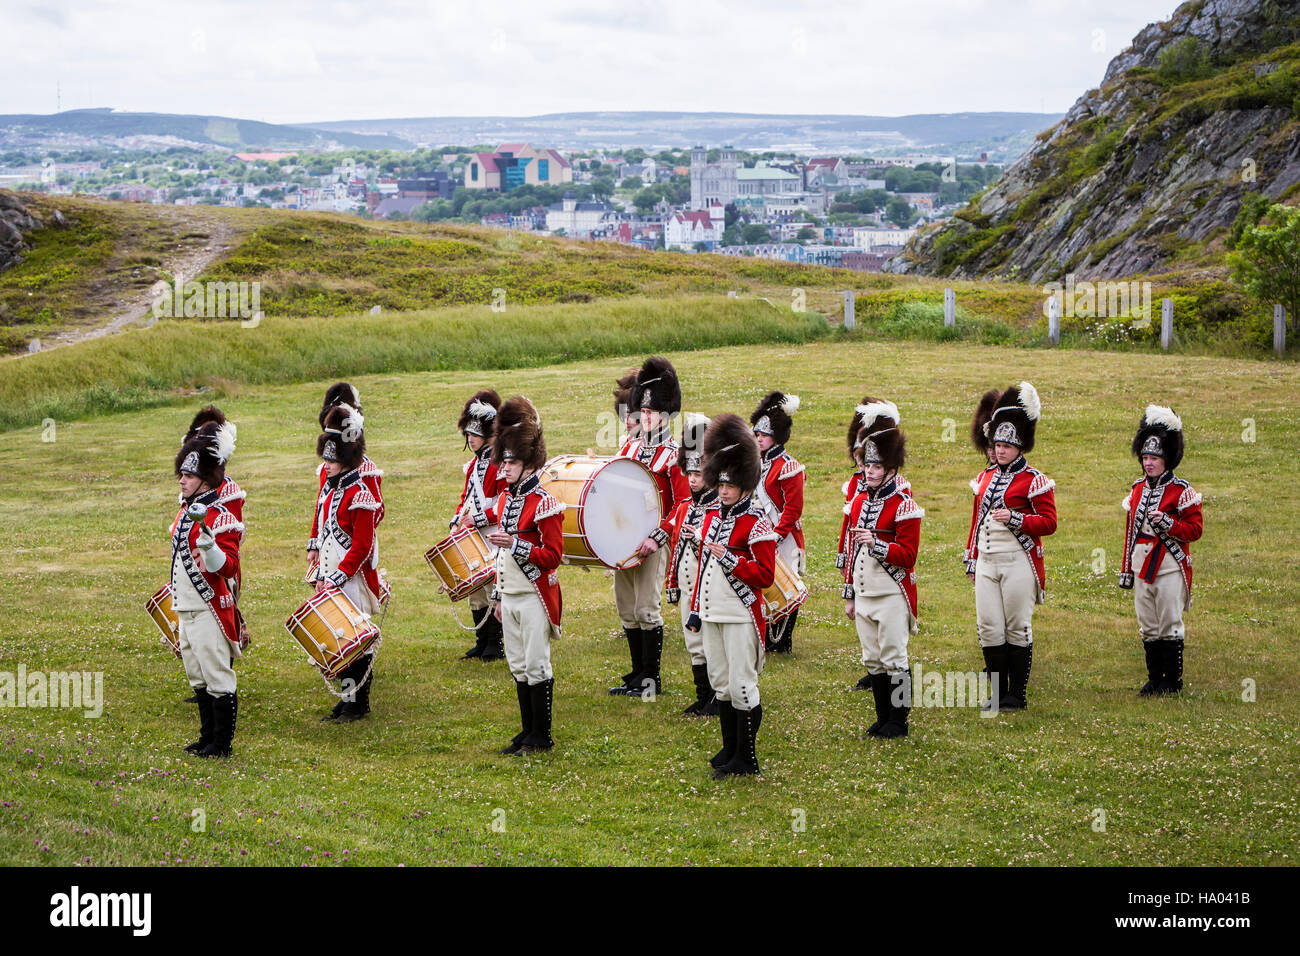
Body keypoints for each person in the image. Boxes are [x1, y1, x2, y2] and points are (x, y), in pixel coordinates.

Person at [685, 414, 777, 778]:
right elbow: (704, 571)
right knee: (721, 684)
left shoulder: (757, 523)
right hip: (711, 613)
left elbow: (765, 577)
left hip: (740, 615)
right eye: (720, 483)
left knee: (741, 686)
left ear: (745, 484)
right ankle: (730, 748)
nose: (723, 490)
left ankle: (747, 757)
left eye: (730, 484)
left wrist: (732, 559)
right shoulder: (710, 517)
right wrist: (695, 610)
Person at [964, 383, 1057, 712]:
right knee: (989, 625)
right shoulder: (985, 477)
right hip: (987, 560)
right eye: (997, 444)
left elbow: (1049, 522)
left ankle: (1016, 694)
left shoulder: (1035, 480)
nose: (1000, 450)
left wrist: (1017, 519)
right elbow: (976, 521)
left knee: (1017, 625)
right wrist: (971, 558)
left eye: (1007, 445)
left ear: (1020, 447)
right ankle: (995, 692)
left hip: (1019, 561)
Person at [481, 397, 565, 755]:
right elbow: (501, 555)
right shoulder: (505, 499)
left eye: (511, 462)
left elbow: (553, 556)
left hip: (534, 596)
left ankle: (541, 736)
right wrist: (498, 597)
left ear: (529, 462)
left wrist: (516, 544)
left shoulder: (544, 502)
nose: (504, 469)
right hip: (511, 595)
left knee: (536, 663)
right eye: (504, 461)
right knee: (517, 665)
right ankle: (527, 731)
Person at [840, 400, 923, 737]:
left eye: (877, 466)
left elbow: (908, 555)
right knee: (871, 658)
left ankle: (898, 721)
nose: (870, 471)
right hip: (864, 593)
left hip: (891, 593)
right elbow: (849, 551)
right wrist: (849, 595)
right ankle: (882, 716)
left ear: (891, 469)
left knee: (893, 656)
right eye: (867, 466)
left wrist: (875, 542)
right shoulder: (858, 501)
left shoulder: (904, 506)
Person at [609, 357, 690, 699]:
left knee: (646, 608)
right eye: (642, 410)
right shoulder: (628, 447)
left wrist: (659, 537)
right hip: (625, 539)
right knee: (627, 609)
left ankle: (651, 680)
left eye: (652, 411)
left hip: (655, 543)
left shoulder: (674, 454)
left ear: (667, 414)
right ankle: (637, 673)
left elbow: (683, 504)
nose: (645, 415)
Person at [170, 420, 244, 757]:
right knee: (196, 675)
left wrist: (210, 547)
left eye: (188, 475)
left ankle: (221, 744)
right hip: (185, 606)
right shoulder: (187, 511)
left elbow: (228, 566)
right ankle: (206, 737)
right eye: (182, 474)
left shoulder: (221, 516)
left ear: (205, 480)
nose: (181, 480)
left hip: (209, 607)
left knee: (217, 675)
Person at [1120, 405, 1203, 695]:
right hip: (1141, 564)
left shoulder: (1182, 491)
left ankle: (1172, 681)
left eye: (1154, 457)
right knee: (1148, 623)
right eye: (1145, 457)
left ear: (1167, 458)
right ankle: (1154, 678)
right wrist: (1125, 569)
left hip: (1168, 564)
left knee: (1169, 621)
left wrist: (1169, 524)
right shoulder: (1137, 489)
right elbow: (1130, 533)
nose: (1148, 463)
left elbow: (1195, 530)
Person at [312, 403, 385, 722]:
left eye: (332, 458)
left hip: (352, 579)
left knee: (356, 640)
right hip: (332, 575)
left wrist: (339, 576)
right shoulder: (331, 491)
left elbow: (363, 544)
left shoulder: (361, 494)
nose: (326, 464)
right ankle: (347, 697)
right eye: (326, 457)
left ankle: (358, 703)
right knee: (340, 636)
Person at [665, 414, 718, 716]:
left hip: (708, 590)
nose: (694, 479)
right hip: (687, 588)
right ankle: (702, 695)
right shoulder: (685, 508)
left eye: (699, 473)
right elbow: (675, 550)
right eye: (690, 473)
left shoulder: (717, 511)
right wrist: (672, 584)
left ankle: (716, 697)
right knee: (692, 643)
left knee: (709, 642)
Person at [749, 392, 805, 654]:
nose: (758, 438)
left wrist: (776, 535)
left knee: (788, 584)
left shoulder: (788, 466)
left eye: (764, 434)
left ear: (777, 436)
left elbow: (793, 509)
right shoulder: (756, 464)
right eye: (757, 434)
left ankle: (784, 640)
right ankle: (771, 635)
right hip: (762, 531)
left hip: (784, 536)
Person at [452, 389, 506, 661]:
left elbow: (505, 501)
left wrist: (480, 518)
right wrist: (456, 520)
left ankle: (495, 644)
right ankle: (481, 640)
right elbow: (467, 497)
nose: (470, 439)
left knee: (491, 586)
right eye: (468, 435)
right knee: (475, 588)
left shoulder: (499, 462)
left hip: (492, 532)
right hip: (473, 531)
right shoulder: (475, 464)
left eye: (475, 435)